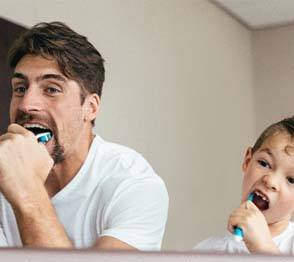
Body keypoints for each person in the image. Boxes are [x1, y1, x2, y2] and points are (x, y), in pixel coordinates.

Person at [0, 21, 168, 250]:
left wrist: (27, 192)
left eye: (51, 89)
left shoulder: (133, 183)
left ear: (90, 107)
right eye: (20, 88)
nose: (27, 105)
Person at [195, 116, 294, 255]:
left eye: (291, 180)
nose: (270, 181)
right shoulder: (206, 251)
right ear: (248, 161)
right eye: (264, 163)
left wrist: (263, 247)